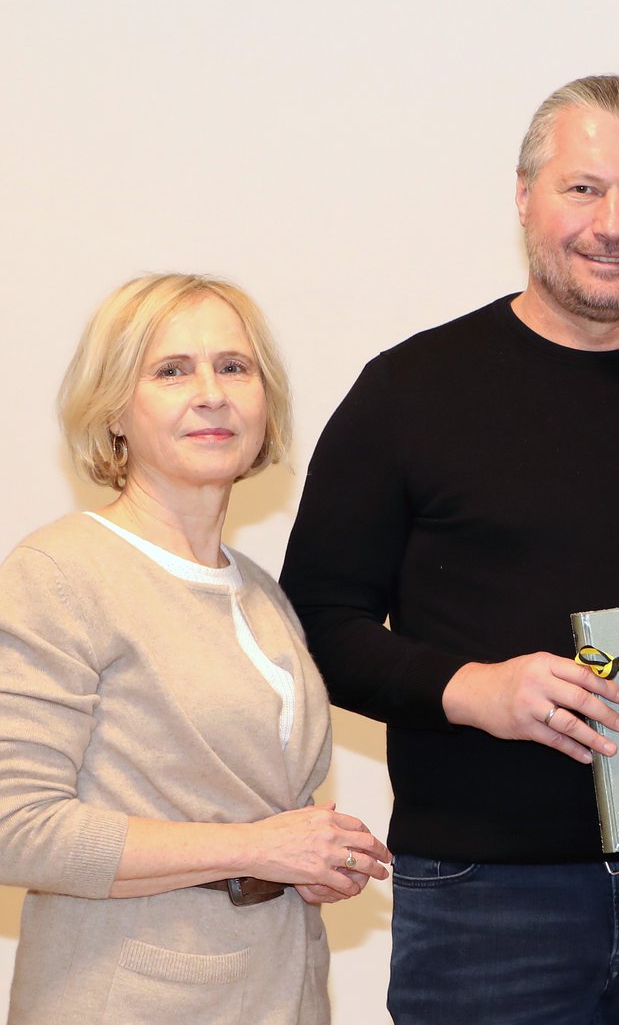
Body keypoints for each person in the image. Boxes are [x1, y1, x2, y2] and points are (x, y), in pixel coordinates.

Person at [280, 75, 619, 1023]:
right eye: (582, 188)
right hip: (487, 898)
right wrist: (476, 688)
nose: (614, 223)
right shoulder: (409, 393)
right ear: (524, 196)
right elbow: (317, 623)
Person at [0, 274, 391, 1023]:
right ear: (113, 409)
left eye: (234, 368)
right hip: (125, 997)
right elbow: (15, 830)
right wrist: (255, 849)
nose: (211, 393)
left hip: (283, 991)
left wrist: (308, 863)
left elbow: (249, 818)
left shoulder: (260, 592)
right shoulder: (60, 573)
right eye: (171, 370)